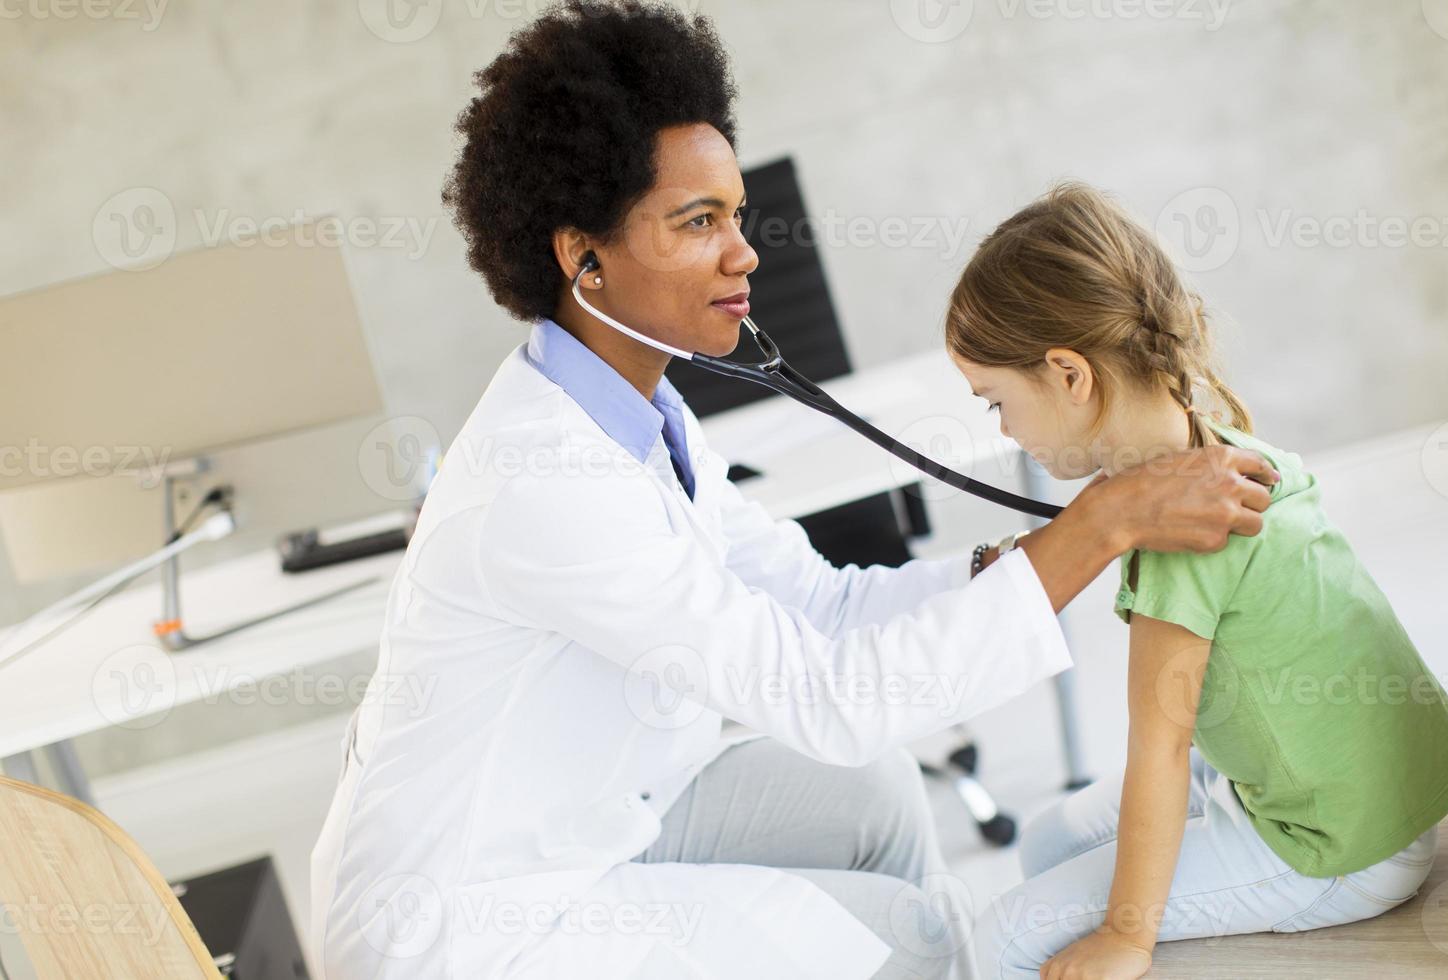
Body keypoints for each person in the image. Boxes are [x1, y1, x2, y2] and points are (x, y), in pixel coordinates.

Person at [308, 5, 1279, 978]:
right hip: (475, 919)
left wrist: (1039, 551)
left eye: (734, 214)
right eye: (699, 223)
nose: (745, 251)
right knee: (920, 934)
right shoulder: (543, 483)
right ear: (582, 256)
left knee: (881, 791)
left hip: (595, 812)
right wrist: (1102, 527)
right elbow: (825, 695)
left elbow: (820, 601)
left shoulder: (646, 412)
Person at [946, 181, 1448, 979]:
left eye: (996, 403)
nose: (1005, 430)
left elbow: (1160, 748)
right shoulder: (1211, 450)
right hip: (1357, 792)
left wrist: (1127, 936)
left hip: (1339, 848)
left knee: (1004, 940)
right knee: (1047, 842)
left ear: (1068, 373)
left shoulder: (1183, 540)